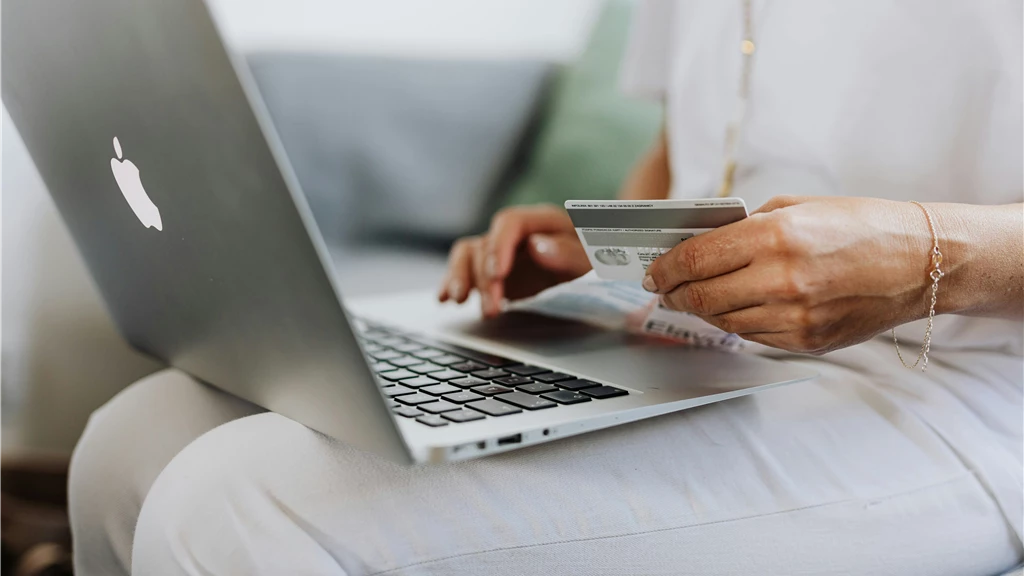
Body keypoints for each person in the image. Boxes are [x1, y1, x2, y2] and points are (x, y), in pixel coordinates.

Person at [70, 1, 1023, 574]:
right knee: (135, 439)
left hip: (947, 386)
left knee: (235, 504)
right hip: (701, 341)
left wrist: (926, 253)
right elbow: (682, 149)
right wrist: (613, 242)